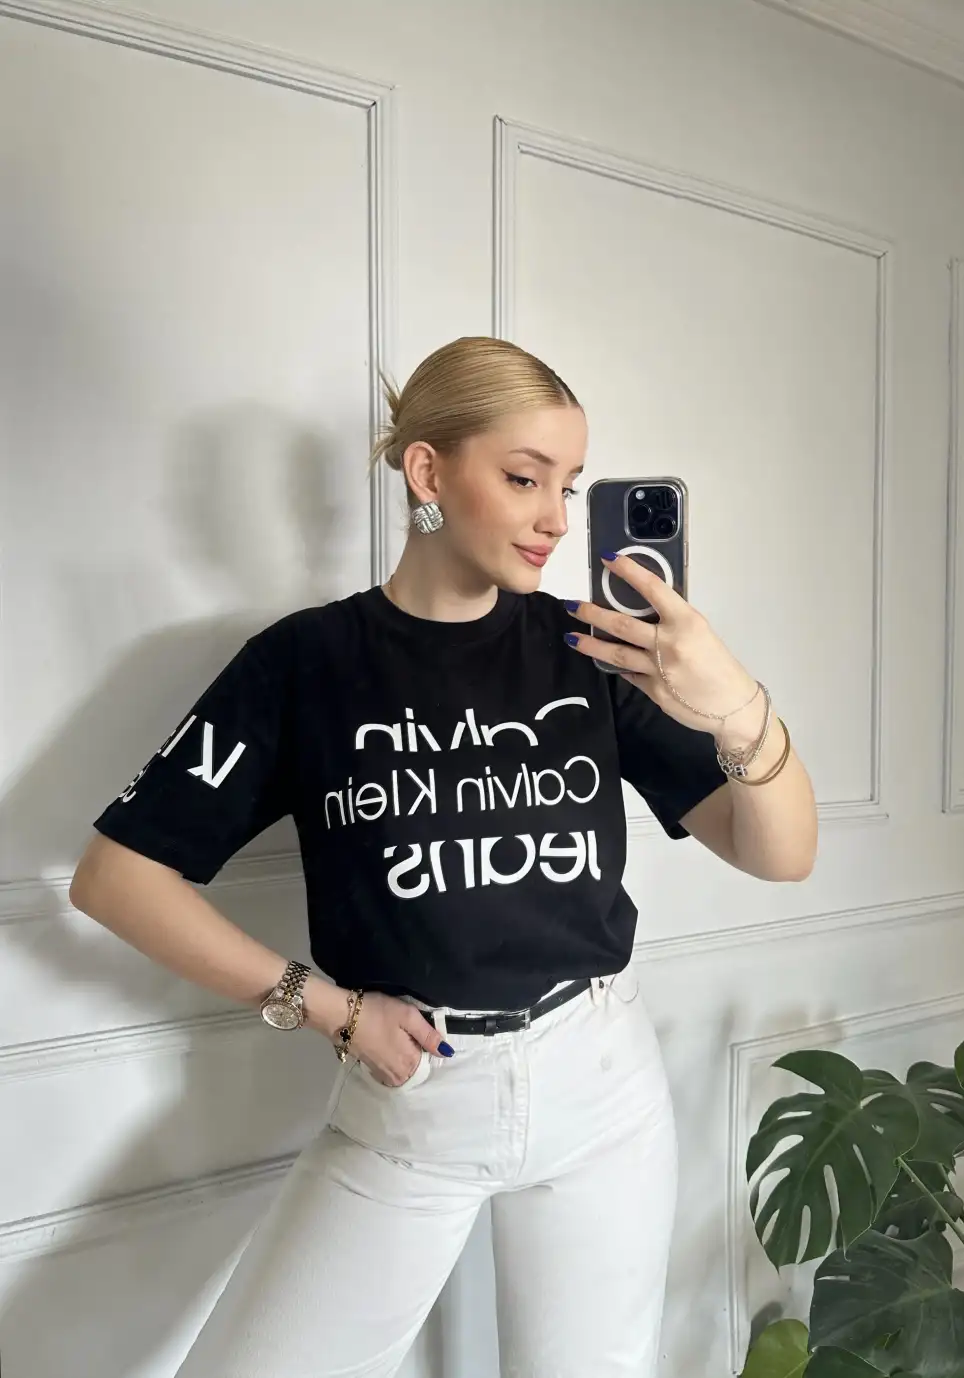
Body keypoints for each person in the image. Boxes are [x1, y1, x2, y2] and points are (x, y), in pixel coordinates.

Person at [70, 336, 817, 1378]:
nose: (557, 518)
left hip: (601, 1086)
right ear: (427, 470)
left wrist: (736, 706)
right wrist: (326, 1007)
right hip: (416, 1095)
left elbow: (781, 854)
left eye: (569, 484)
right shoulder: (304, 663)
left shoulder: (588, 649)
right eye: (524, 478)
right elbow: (116, 877)